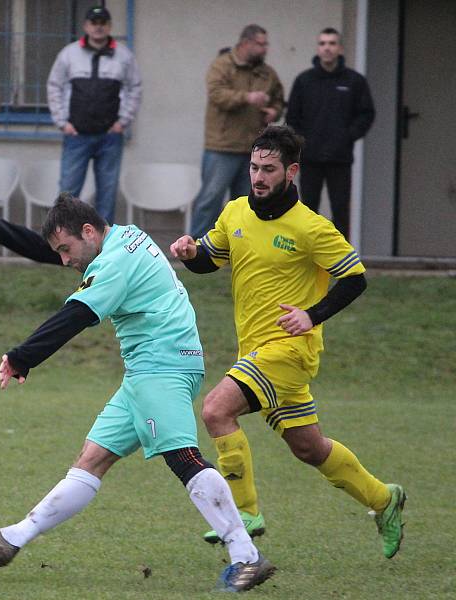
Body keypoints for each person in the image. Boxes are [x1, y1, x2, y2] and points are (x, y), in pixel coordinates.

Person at [0, 195, 276, 593]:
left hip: (163, 366)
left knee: (183, 457)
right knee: (91, 460)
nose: (66, 261)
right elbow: (60, 253)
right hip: (148, 370)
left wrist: (21, 357)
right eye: (61, 251)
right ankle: (9, 540)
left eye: (67, 249)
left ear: (88, 232)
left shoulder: (115, 263)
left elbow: (77, 316)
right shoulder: (123, 237)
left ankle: (246, 556)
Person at [170, 126, 405, 560]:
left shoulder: (311, 227)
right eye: (254, 168)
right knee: (309, 447)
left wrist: (311, 315)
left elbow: (355, 279)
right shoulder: (235, 213)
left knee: (216, 409)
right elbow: (210, 260)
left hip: (290, 351)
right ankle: (384, 499)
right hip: (256, 353)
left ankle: (243, 514)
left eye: (269, 169)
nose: (258, 177)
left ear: (291, 171)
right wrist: (190, 255)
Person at [46, 6, 142, 225]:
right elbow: (54, 86)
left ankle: (105, 249)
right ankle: (62, 243)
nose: (98, 26)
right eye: (93, 22)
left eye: (103, 22)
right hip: (76, 136)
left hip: (109, 137)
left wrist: (123, 121)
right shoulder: (68, 54)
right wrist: (62, 123)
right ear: (86, 26)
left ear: (109, 26)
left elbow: (134, 88)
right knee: (67, 195)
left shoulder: (124, 56)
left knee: (107, 194)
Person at [189, 24, 284, 240]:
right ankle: (197, 247)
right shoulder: (222, 66)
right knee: (211, 198)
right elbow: (217, 95)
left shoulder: (267, 73)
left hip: (254, 148)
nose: (265, 49)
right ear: (245, 43)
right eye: (260, 44)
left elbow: (279, 99)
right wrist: (247, 98)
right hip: (222, 146)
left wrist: (274, 111)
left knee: (247, 202)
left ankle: (241, 246)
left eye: (266, 44)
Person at [286, 27, 375, 239]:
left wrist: (347, 137)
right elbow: (292, 117)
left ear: (340, 48)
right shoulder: (304, 81)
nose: (327, 48)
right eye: (323, 43)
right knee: (307, 211)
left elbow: (366, 114)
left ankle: (342, 263)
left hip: (340, 158)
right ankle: (307, 259)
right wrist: (302, 143)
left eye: (332, 43)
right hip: (310, 157)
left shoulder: (354, 81)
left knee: (341, 211)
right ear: (318, 48)